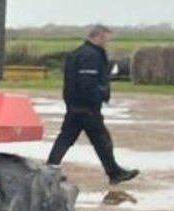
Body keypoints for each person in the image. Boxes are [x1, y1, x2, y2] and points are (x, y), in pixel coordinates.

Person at [47, 25, 138, 185]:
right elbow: (87, 82)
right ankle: (114, 172)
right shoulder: (91, 55)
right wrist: (96, 98)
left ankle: (50, 169)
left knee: (67, 137)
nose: (107, 43)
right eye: (107, 39)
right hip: (86, 106)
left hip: (75, 104)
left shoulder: (78, 53)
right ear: (99, 37)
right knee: (101, 139)